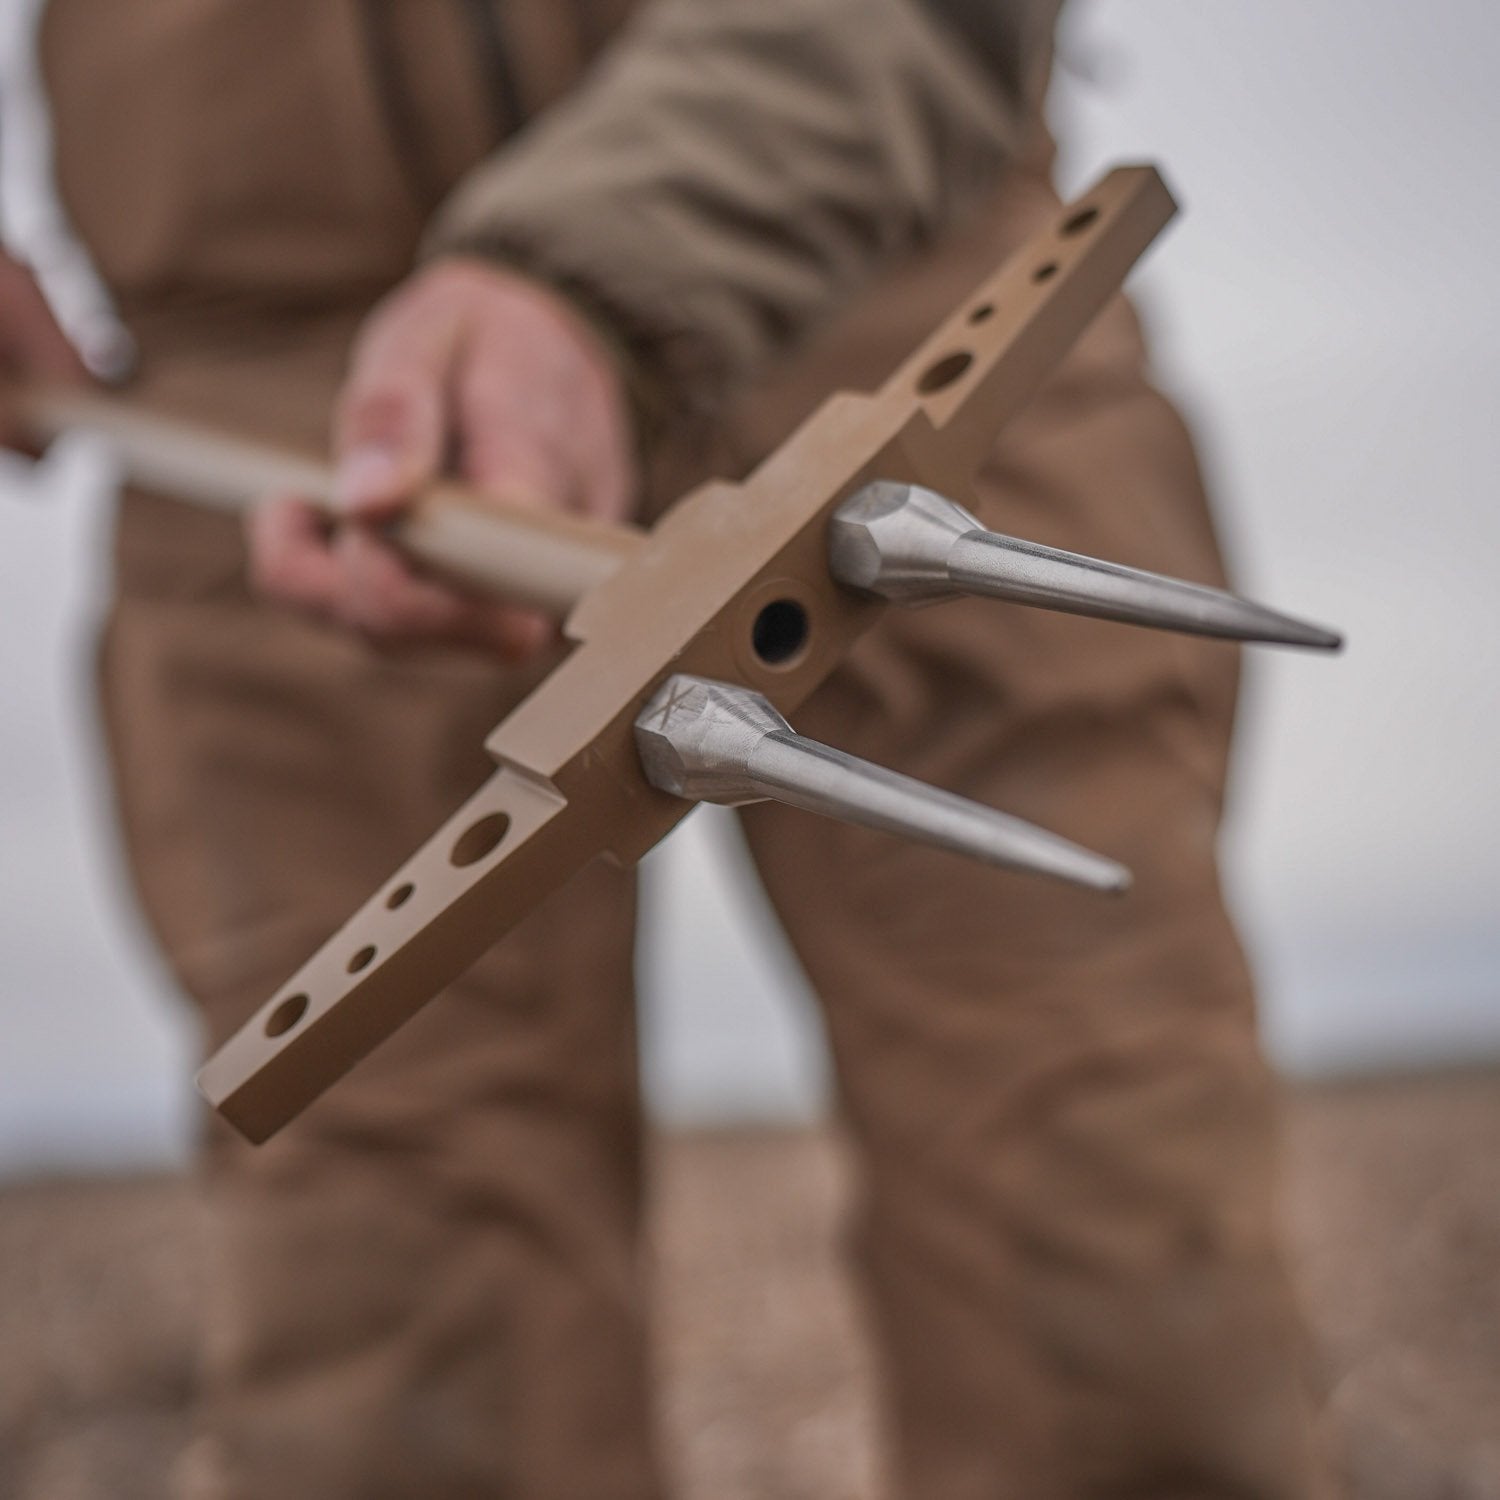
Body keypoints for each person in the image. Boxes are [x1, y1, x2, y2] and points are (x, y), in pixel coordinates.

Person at [3, 1, 1333, 1495]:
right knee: (396, 1308)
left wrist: (594, 261)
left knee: (1103, 1222)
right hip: (275, 366)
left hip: (863, 212)